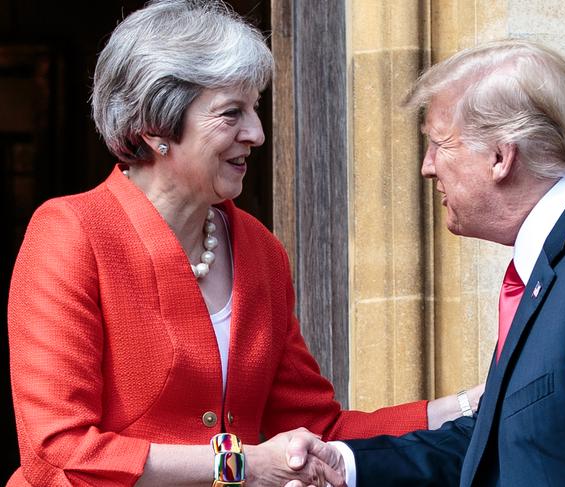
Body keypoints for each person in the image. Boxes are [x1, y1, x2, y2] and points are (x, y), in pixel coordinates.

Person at [5, 1, 484, 485]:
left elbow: (317, 430)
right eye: (232, 113)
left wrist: (467, 405)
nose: (255, 133)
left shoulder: (259, 249)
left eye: (254, 109)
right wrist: (242, 466)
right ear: (154, 127)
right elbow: (58, 452)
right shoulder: (72, 233)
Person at [287, 38, 565, 486]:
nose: (427, 166)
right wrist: (346, 465)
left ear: (500, 156)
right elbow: (495, 446)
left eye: (440, 144)